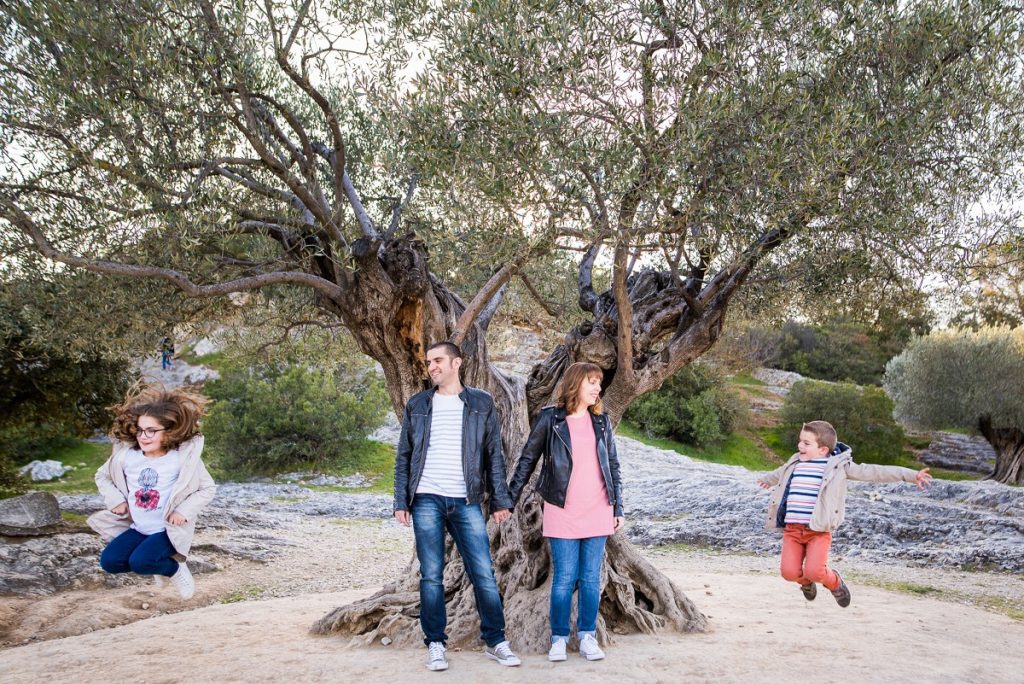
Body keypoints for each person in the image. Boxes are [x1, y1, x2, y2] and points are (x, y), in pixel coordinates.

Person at [393, 341, 520, 671]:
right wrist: (400, 501)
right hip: (425, 500)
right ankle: (435, 643)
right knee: (431, 576)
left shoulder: (481, 402)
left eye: (437, 360)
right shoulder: (418, 404)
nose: (431, 366)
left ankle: (496, 641)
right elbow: (404, 456)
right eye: (428, 362)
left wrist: (500, 500)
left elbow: (494, 454)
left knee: (483, 574)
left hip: (466, 501)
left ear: (456, 363)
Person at [508, 362, 624, 663]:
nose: (598, 388)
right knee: (564, 578)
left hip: (599, 510)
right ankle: (558, 638)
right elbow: (527, 460)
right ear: (575, 384)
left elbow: (613, 466)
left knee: (590, 578)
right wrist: (509, 499)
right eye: (592, 382)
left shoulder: (601, 422)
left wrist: (618, 506)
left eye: (599, 383)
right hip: (562, 510)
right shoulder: (551, 419)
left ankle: (587, 636)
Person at [757, 420, 932, 607]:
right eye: (800, 441)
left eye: (806, 443)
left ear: (823, 450)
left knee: (816, 571)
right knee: (789, 573)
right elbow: (780, 473)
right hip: (792, 530)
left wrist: (911, 475)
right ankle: (806, 583)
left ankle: (835, 583)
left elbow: (874, 472)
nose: (800, 446)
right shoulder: (795, 462)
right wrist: (767, 480)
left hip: (818, 530)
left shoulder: (839, 467)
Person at [87, 384, 216, 600]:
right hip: (139, 528)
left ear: (168, 432)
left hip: (166, 530)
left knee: (141, 562)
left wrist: (183, 511)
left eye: (151, 431)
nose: (143, 436)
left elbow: (207, 488)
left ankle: (174, 569)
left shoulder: (180, 459)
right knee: (110, 562)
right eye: (140, 430)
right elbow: (102, 476)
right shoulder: (127, 456)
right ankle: (155, 562)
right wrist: (115, 499)